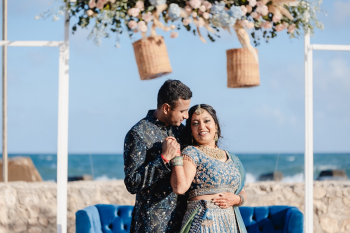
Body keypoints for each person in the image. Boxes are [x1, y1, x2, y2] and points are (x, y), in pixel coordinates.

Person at [123, 79, 192, 232]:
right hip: (153, 225)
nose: (186, 116)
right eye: (182, 111)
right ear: (166, 108)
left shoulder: (183, 132)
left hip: (184, 223)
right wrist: (164, 159)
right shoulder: (138, 133)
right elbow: (132, 183)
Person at [170, 104, 247, 233]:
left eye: (206, 121)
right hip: (204, 222)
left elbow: (242, 191)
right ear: (191, 130)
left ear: (215, 126)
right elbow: (180, 187)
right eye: (195, 123)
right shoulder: (191, 153)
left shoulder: (232, 158)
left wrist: (237, 199)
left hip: (231, 224)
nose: (201, 127)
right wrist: (176, 157)